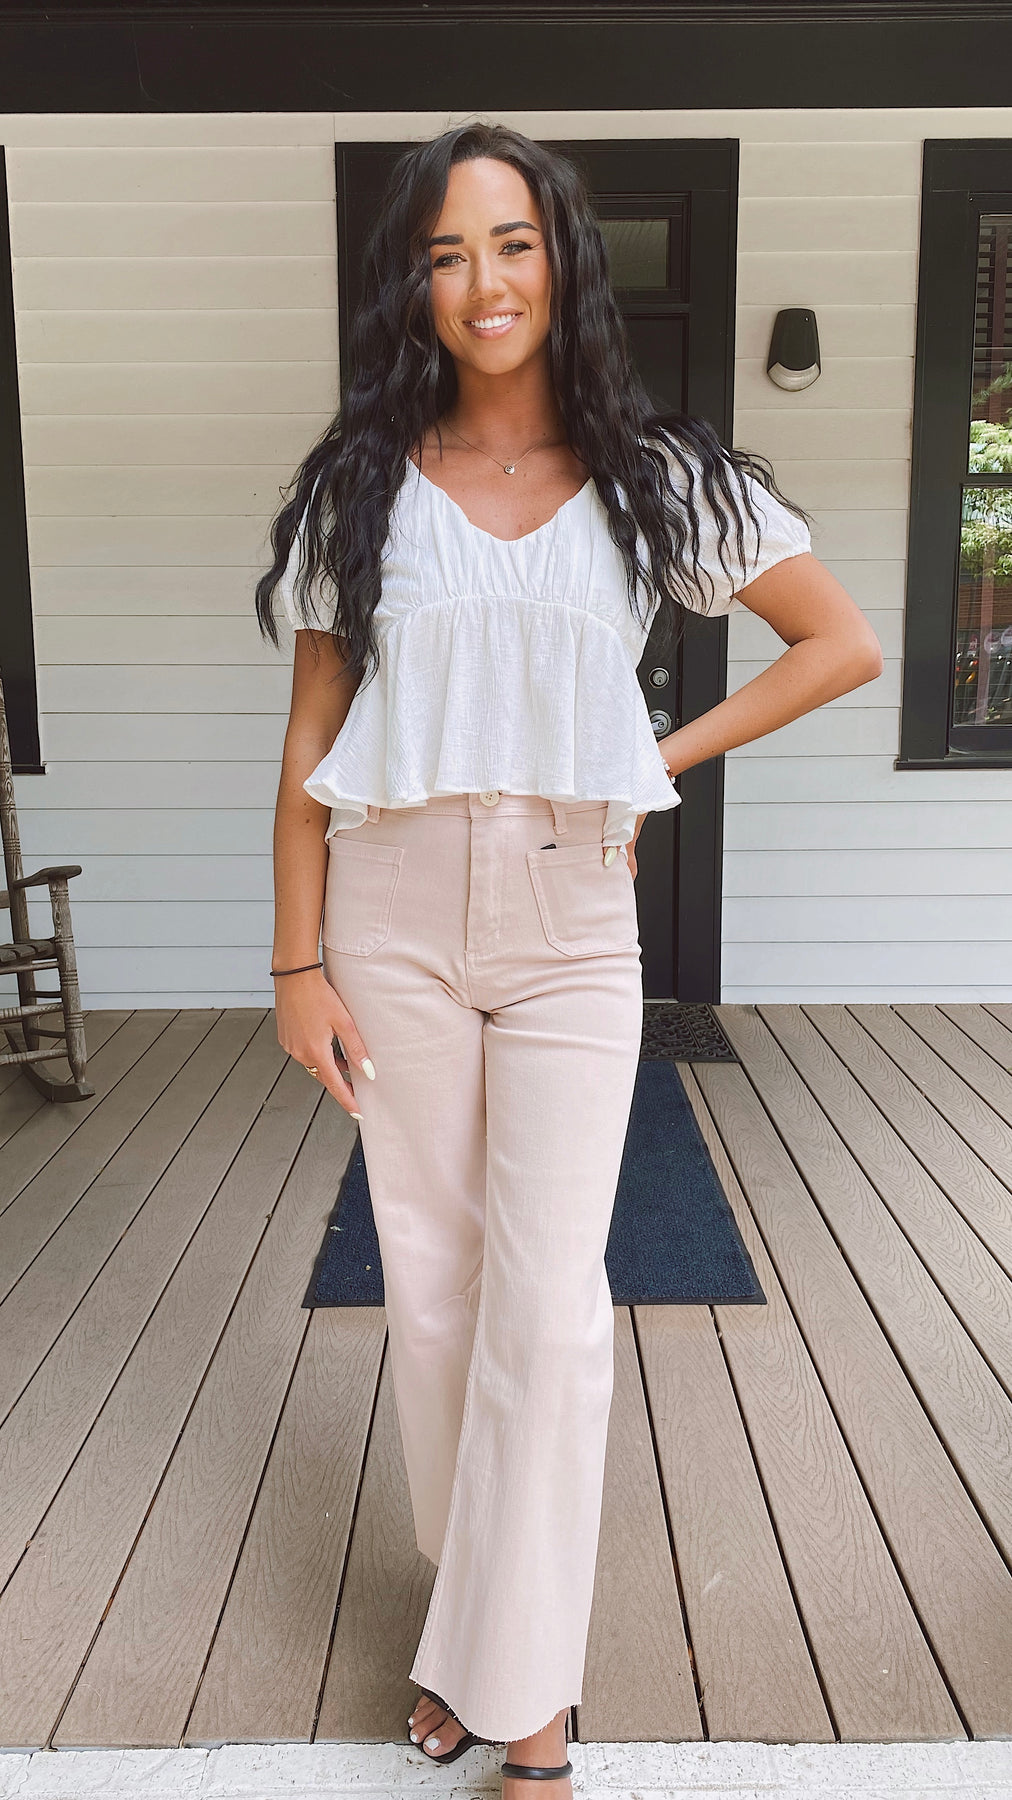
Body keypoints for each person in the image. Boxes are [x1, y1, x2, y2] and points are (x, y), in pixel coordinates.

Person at [258, 122, 882, 1795]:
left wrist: (647, 760)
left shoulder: (656, 476)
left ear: (564, 261)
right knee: (435, 1289)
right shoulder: (361, 487)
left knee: (551, 1307)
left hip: (567, 914)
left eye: (513, 243)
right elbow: (310, 742)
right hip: (388, 906)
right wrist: (296, 964)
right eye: (447, 252)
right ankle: (484, 1638)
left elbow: (840, 643)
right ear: (413, 284)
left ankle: (523, 1711)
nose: (484, 281)